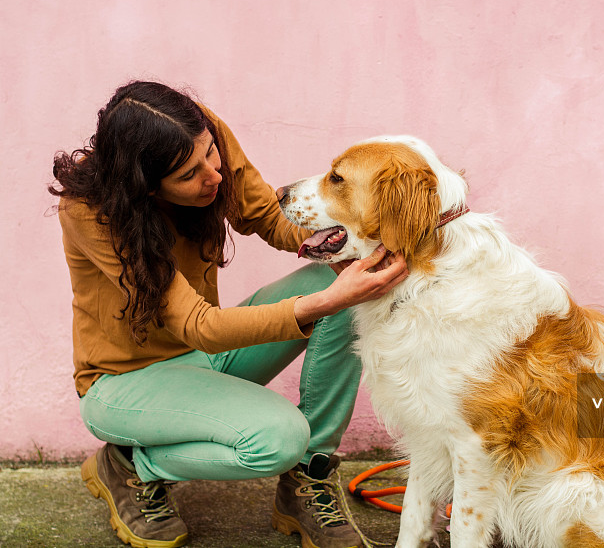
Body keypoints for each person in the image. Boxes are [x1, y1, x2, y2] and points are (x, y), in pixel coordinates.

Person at [50, 80, 408, 548]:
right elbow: (198, 325)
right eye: (188, 175)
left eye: (210, 155)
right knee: (279, 440)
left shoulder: (196, 131)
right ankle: (128, 465)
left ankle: (311, 475)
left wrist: (349, 246)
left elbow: (267, 214)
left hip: (207, 357)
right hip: (125, 382)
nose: (213, 176)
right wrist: (328, 301)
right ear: (146, 187)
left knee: (339, 282)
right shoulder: (92, 210)